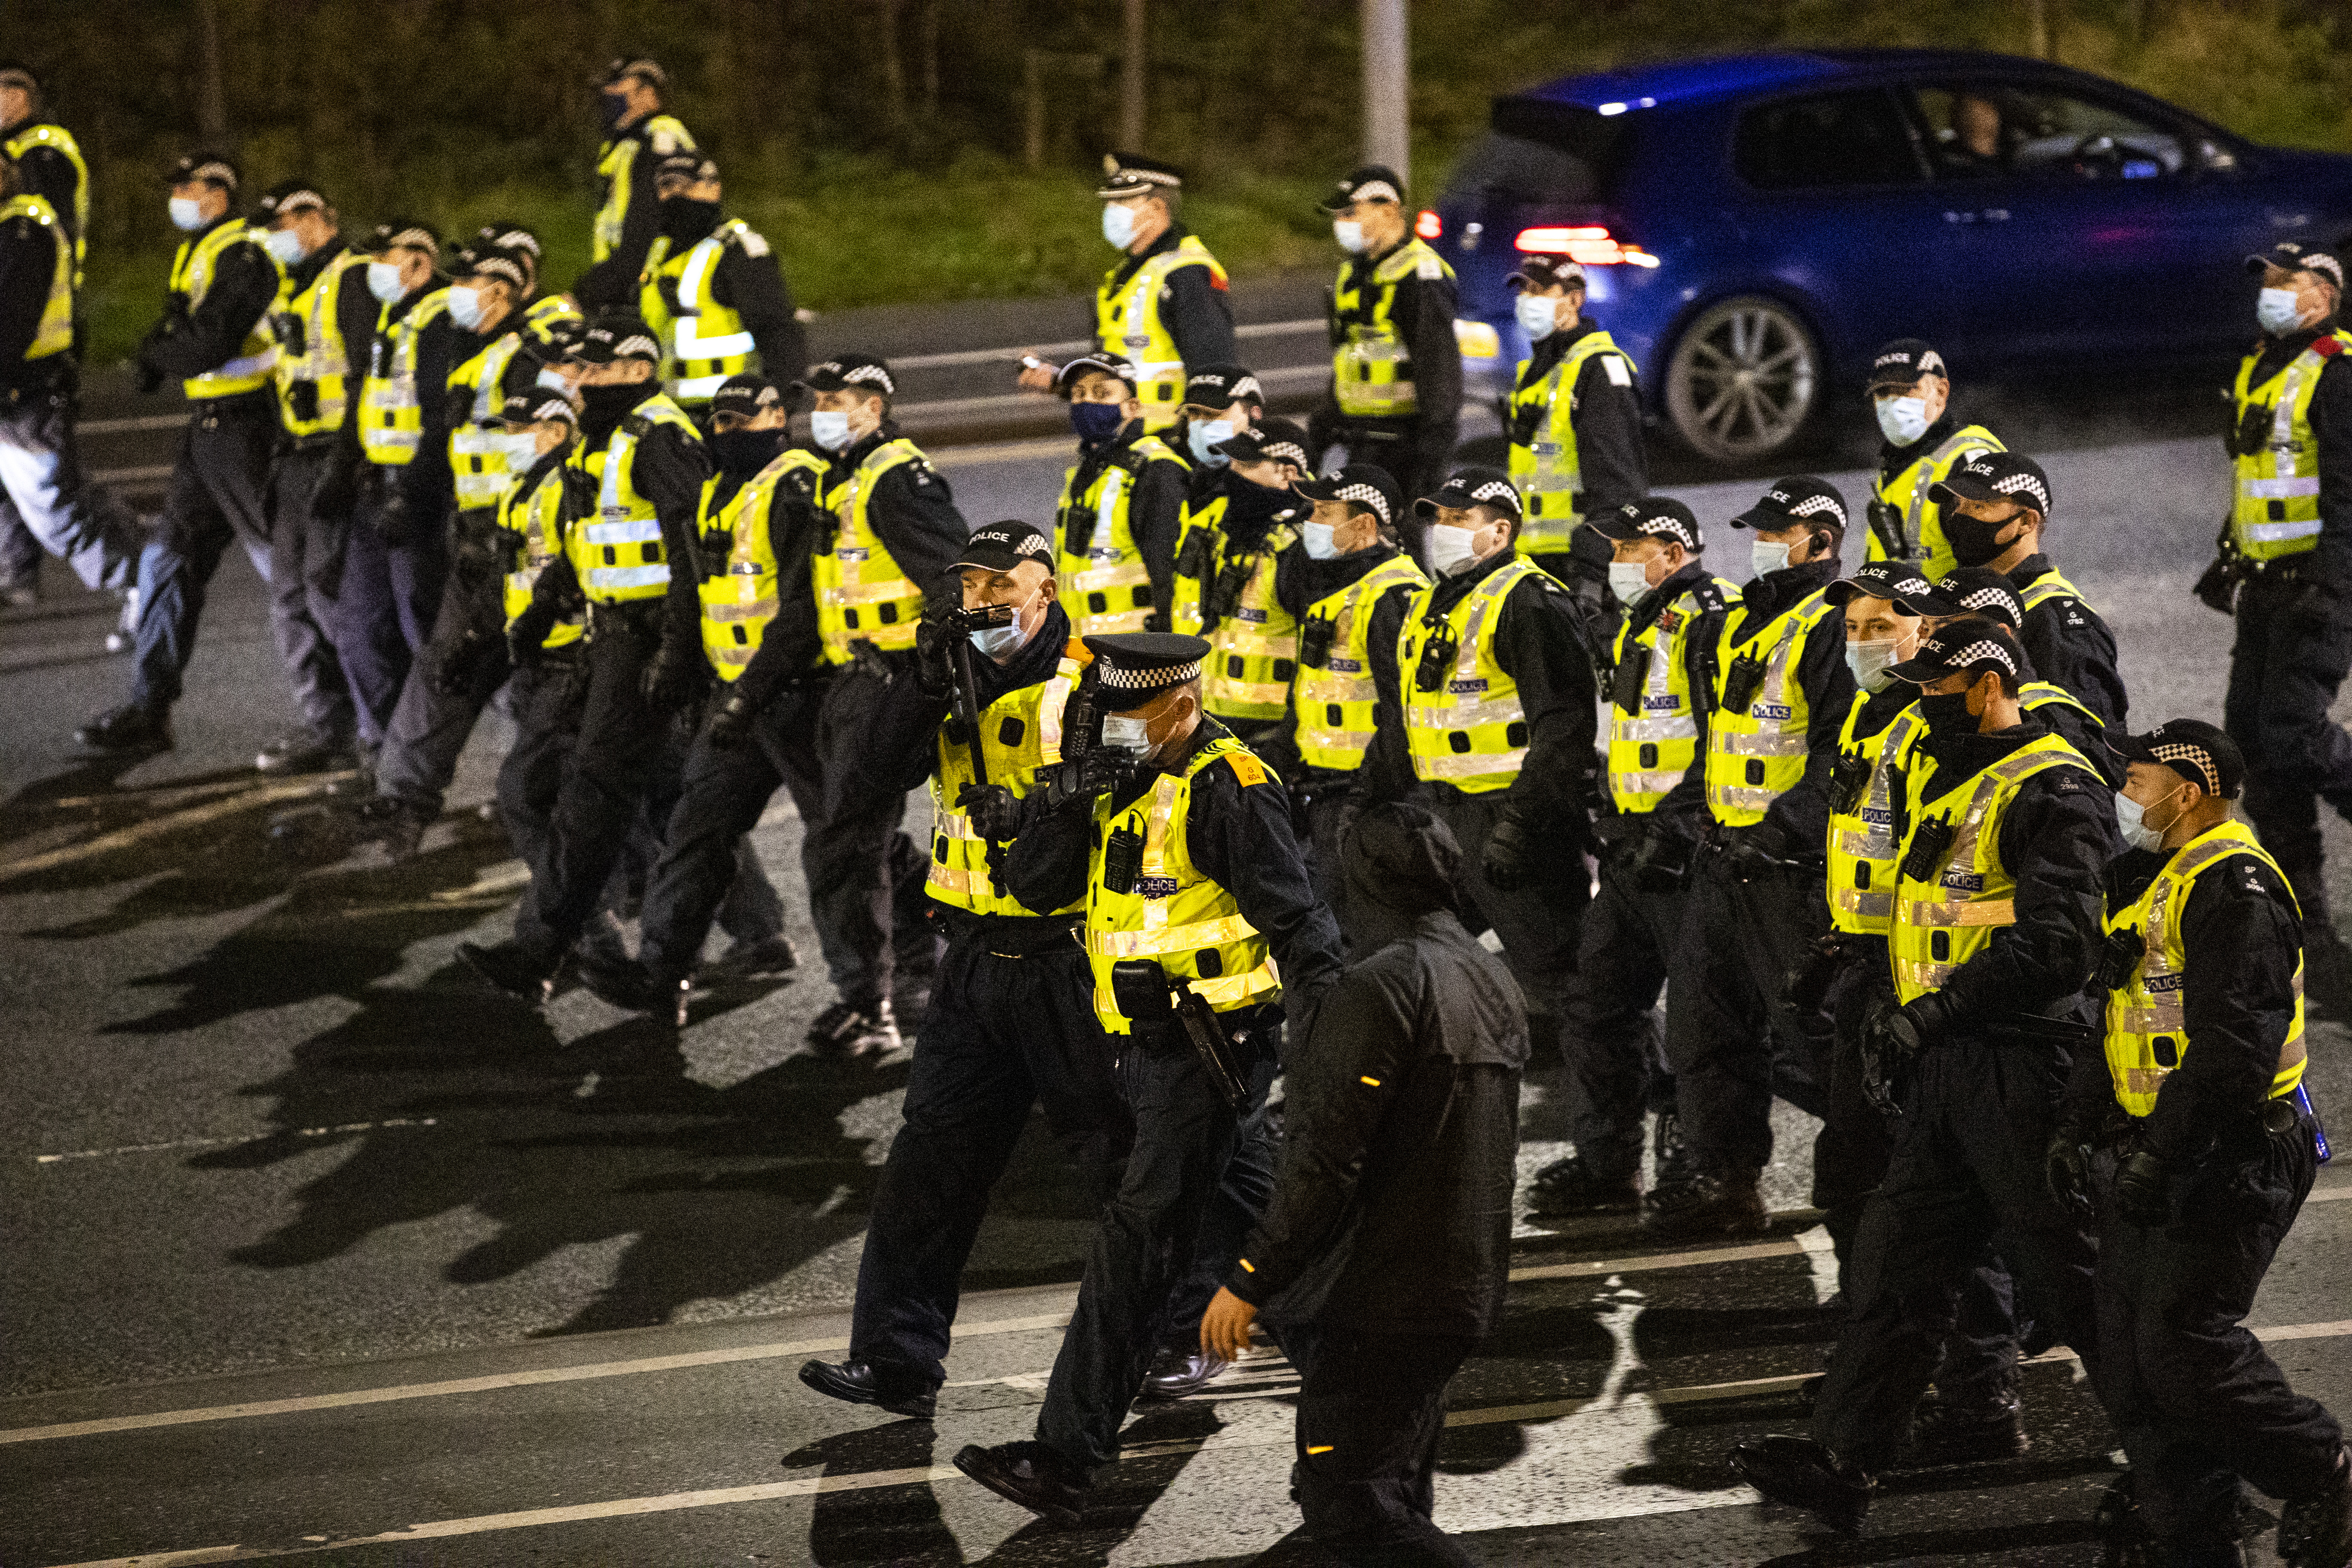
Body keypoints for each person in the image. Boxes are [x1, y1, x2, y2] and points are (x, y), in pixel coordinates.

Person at [1730, 616, 2113, 1534]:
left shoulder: (2056, 785)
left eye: (1938, 689)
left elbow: (2060, 945)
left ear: (1988, 685)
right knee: (1898, 1266)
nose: (1922, 703)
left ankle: (2188, 1469)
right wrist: (1842, 957)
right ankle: (1845, 1458)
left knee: (2078, 1285)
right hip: (1941, 1065)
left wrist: (1937, 1011)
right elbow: (1923, 901)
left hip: (2023, 1066)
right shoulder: (1943, 771)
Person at [952, 632, 1344, 1528]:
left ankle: (1062, 1456)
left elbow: (1303, 927)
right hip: (1141, 1053)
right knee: (1273, 1235)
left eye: (1133, 716)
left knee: (1136, 1245)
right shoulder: (1120, 779)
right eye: (1109, 714)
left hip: (1209, 1051)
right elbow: (1037, 887)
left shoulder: (1227, 785)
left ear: (1182, 705)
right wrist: (1056, 805)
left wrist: (1326, 1053)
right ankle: (1368, 1411)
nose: (1117, 730)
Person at [799, 519, 1129, 1419]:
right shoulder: (952, 678)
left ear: (1045, 593)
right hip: (976, 959)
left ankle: (1194, 1324)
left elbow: (1125, 805)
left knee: (1125, 1158)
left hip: (1072, 958)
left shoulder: (1099, 679)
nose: (981, 604)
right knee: (930, 1162)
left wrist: (1029, 810)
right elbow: (863, 788)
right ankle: (896, 1359)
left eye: (999, 587)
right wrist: (916, 683)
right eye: (970, 589)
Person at [2053, 719, 2352, 1568]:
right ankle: (2189, 1519)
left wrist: (2162, 1155)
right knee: (2130, 1344)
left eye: (2137, 780)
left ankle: (2320, 1468)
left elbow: (2233, 1052)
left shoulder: (2237, 889)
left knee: (2185, 1342)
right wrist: (2079, 1128)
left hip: (2231, 1149)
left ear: (2188, 793)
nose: (2125, 793)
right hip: (2157, 1140)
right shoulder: (2158, 877)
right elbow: (2111, 1014)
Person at [1198, 802, 1526, 1568]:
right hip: (1456, 1286)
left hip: (1378, 1297)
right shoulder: (1490, 976)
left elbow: (1324, 1161)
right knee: (1384, 1501)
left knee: (1350, 1506)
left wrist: (1250, 1279)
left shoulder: (1382, 985)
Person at [455, 314, 710, 998]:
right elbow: (582, 545)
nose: (581, 382)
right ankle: (558, 956)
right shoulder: (600, 441)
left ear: (636, 369)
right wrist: (535, 617)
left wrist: (679, 653)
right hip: (618, 639)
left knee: (662, 802)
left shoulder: (658, 438)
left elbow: (693, 555)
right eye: (580, 372)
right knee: (641, 800)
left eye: (595, 371)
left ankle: (564, 956)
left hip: (653, 639)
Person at [575, 374, 840, 1018]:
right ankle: (663, 973)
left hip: (800, 698)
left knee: (848, 842)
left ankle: (906, 975)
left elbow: (805, 609)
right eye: (718, 422)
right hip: (734, 699)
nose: (727, 432)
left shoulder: (800, 487)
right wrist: (681, 666)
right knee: (695, 830)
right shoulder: (718, 494)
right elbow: (695, 593)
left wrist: (751, 690)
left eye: (740, 419)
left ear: (778, 415)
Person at [1651, 478, 1851, 1236]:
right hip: (1723, 861)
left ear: (1821, 540)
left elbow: (1842, 752)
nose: (1762, 544)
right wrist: (1692, 812)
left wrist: (1782, 829)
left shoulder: (1831, 624)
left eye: (1778, 533)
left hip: (1788, 873)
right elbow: (1721, 740)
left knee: (1816, 1044)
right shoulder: (1734, 625)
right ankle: (1724, 1177)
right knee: (1703, 1028)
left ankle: (1874, 1183)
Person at [1531, 497, 1735, 1216]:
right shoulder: (1642, 622)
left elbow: (1726, 739)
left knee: (1700, 1021)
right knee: (1597, 1008)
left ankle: (1704, 1166)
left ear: (1672, 552)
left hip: (1681, 854)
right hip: (1628, 850)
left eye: (1628, 548)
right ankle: (1608, 1164)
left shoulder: (1713, 618)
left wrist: (1677, 829)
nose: (1614, 561)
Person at [1368, 465, 1596, 1080]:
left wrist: (1521, 825)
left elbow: (1565, 729)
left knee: (1565, 975)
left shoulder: (1530, 600)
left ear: (1499, 531)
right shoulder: (1431, 604)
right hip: (1443, 816)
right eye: (1438, 518)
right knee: (1407, 960)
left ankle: (1633, 1100)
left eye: (1458, 519)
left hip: (1511, 816)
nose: (1440, 530)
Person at [358, 246, 579, 857]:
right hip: (480, 547)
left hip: (534, 551)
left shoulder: (534, 360)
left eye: (471, 280)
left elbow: (559, 458)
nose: (457, 289)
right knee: (445, 669)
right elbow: (445, 445)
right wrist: (414, 502)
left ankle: (597, 844)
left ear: (503, 293)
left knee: (551, 696)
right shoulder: (473, 358)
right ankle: (405, 800)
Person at [80, 153, 283, 756]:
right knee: (167, 563)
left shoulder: (243, 252)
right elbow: (182, 333)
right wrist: (157, 350)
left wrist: (154, 358)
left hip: (250, 427)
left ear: (219, 193)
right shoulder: (198, 251)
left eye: (187, 187)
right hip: (210, 429)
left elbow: (209, 342)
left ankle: (354, 721)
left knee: (291, 572)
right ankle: (150, 707)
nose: (177, 197)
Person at [2201, 242, 2352, 952]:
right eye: (2264, 277)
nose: (2270, 289)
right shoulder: (2262, 368)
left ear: (2325, 292)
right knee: (2255, 749)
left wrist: (2331, 584)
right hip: (2263, 586)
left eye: (2287, 280)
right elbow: (2261, 480)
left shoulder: (2336, 372)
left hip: (2313, 586)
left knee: (2294, 733)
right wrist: (2229, 556)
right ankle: (2307, 923)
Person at [1267, 456, 1427, 937]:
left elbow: (1406, 713)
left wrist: (1370, 793)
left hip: (1369, 796)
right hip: (1329, 789)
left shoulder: (1392, 597)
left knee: (1376, 931)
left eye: (1322, 513)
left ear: (1364, 526)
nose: (1309, 524)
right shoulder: (1337, 584)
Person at [247, 179, 367, 777]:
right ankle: (329, 726)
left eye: (303, 215)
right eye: (280, 221)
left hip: (337, 456)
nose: (291, 230)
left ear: (328, 218)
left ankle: (376, 732)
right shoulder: (286, 284)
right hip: (296, 455)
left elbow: (368, 374)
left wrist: (348, 464)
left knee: (333, 598)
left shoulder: (352, 278)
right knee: (290, 598)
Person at [325, 219, 454, 766]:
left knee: (427, 635)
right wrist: (344, 466)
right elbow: (369, 398)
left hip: (417, 499)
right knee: (359, 627)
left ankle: (426, 765)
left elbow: (441, 419)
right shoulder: (390, 315)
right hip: (376, 491)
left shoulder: (441, 321)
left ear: (419, 263)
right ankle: (383, 756)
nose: (373, 267)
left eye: (385, 255)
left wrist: (416, 495)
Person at [0, 145, 136, 623]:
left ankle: (139, 580)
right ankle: (17, 575)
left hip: (26, 392)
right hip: (16, 393)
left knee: (58, 509)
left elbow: (12, 324)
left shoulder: (23, 229)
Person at [1015, 153, 1234, 434]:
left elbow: (1215, 373)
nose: (1110, 210)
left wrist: (1206, 449)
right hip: (1124, 437)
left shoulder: (1186, 272)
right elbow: (1120, 370)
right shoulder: (1123, 277)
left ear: (1156, 208)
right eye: (1109, 202)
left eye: (1120, 202)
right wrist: (1059, 381)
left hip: (1169, 441)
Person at [1926, 448, 2127, 731]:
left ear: (2026, 522)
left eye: (1979, 507)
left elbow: (2093, 740)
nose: (1958, 517)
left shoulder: (2058, 620)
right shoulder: (1964, 600)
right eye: (1958, 505)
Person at [1504, 253, 1645, 634]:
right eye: (1523, 291)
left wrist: (1595, 573)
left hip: (1578, 561)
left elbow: (1617, 484)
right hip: (1532, 559)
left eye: (1539, 290)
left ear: (1574, 299)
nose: (1527, 300)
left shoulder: (1599, 368)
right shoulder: (1538, 370)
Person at [485, 387, 592, 876]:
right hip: (538, 662)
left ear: (557, 431)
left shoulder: (570, 488)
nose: (508, 441)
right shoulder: (519, 491)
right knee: (630, 799)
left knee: (525, 793)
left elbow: (580, 567)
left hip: (572, 661)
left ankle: (585, 930)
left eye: (518, 430)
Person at [1308, 165, 1461, 509]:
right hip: (1361, 441)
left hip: (1404, 445)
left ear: (1389, 211)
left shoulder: (1419, 276)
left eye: (1351, 213)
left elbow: (1438, 369)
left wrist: (1432, 455)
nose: (1341, 224)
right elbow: (1352, 356)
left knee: (1395, 548)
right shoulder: (1353, 274)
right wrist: (1323, 426)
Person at [636, 153, 805, 411]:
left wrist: (779, 405)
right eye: (666, 187)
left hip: (736, 410)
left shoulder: (736, 249)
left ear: (714, 189)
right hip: (668, 410)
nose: (674, 195)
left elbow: (777, 329)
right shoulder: (657, 252)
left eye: (686, 186)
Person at [1050, 352, 1188, 637]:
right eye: (1079, 394)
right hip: (1085, 650)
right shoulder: (1086, 471)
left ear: (1133, 408)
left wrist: (1168, 652)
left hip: (1138, 652)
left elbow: (1167, 574)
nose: (1087, 402)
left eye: (1102, 394)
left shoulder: (1155, 468)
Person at [1860, 338, 2003, 580]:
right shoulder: (1895, 467)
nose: (1892, 403)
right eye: (1883, 393)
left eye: (1906, 389)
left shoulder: (1968, 461)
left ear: (1941, 392)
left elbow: (1996, 574)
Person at [1168, 416, 1309, 641]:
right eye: (1232, 462)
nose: (1232, 472)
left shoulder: (1307, 542)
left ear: (1287, 474)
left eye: (1244, 464)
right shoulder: (1215, 514)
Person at [576, 56, 695, 311]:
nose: (608, 97)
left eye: (617, 90)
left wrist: (588, 292)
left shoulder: (660, 139)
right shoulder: (623, 145)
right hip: (624, 286)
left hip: (653, 287)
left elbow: (647, 229)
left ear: (647, 93)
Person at [1172, 361, 1262, 471]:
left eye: (1212, 413)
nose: (1201, 422)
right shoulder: (1170, 467)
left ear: (1254, 414)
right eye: (1194, 412)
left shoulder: (1281, 470)